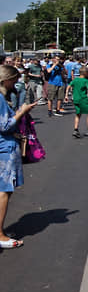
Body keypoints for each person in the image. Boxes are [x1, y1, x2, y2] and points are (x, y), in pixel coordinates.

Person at [0, 65, 37, 249]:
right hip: (4, 148)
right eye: (14, 79)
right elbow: (4, 126)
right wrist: (21, 112)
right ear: (5, 80)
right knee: (4, 191)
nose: (16, 83)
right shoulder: (0, 99)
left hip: (4, 147)